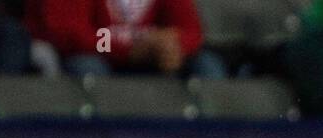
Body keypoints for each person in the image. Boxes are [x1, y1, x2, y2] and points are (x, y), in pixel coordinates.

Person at [26, 0, 226, 79]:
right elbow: (71, 35)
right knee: (88, 69)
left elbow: (192, 30)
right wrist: (128, 50)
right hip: (93, 57)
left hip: (149, 56)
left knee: (207, 65)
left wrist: (173, 44)